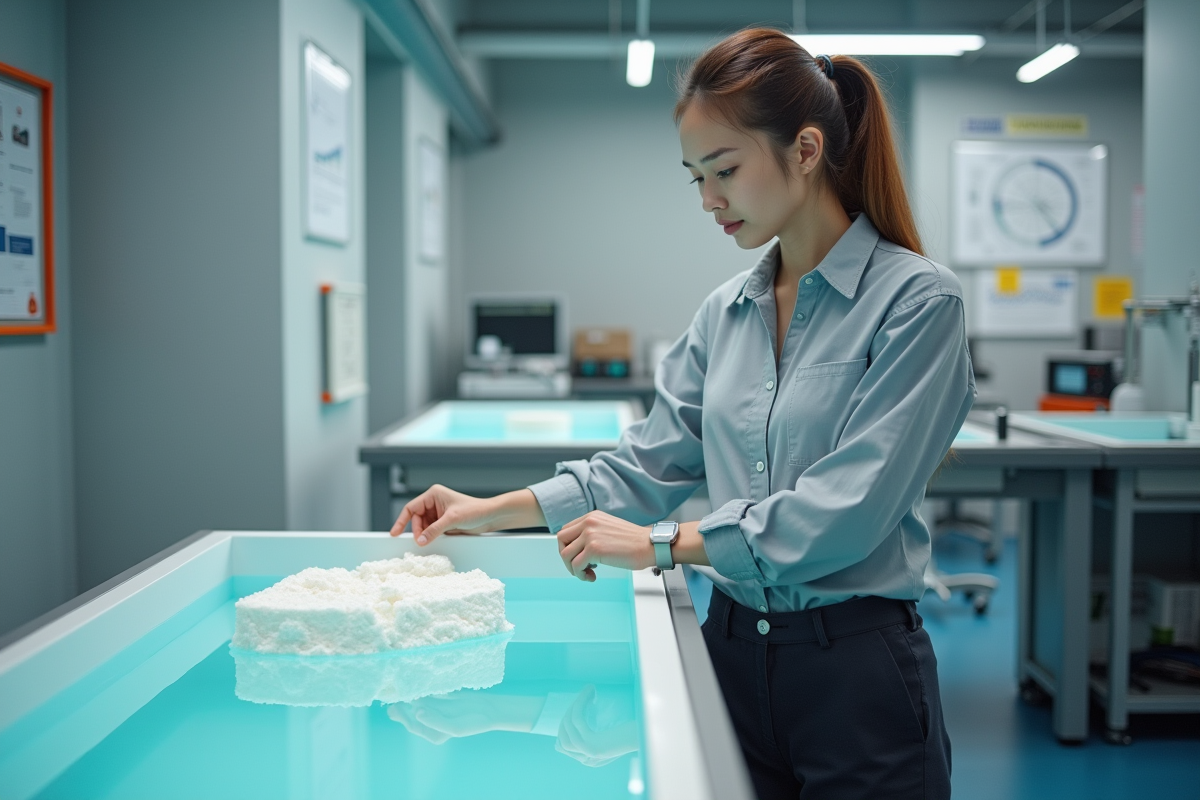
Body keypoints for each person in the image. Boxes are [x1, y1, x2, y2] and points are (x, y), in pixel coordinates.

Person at [390, 27, 974, 800]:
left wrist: (665, 544)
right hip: (728, 656)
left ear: (804, 151)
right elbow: (649, 463)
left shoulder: (917, 303)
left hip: (856, 674)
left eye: (724, 170)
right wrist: (489, 511)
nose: (708, 200)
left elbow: (851, 510)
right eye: (694, 177)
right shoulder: (724, 313)